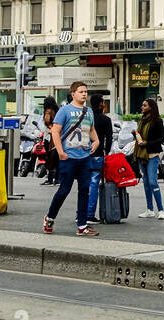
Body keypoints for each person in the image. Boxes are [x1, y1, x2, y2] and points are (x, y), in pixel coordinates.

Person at [42, 81, 100, 237]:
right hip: (69, 157)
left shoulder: (89, 112)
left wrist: (97, 141)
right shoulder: (64, 111)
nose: (84, 94)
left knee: (84, 191)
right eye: (81, 91)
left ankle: (82, 225)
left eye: (86, 91)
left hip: (84, 157)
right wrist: (61, 152)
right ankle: (49, 217)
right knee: (64, 190)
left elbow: (91, 129)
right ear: (73, 94)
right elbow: (55, 131)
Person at [135, 98, 164, 220]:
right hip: (141, 154)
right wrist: (136, 135)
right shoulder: (141, 121)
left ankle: (161, 210)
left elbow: (162, 138)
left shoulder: (158, 121)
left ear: (151, 107)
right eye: (142, 105)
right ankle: (149, 209)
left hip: (152, 154)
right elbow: (140, 136)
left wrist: (148, 143)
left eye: (144, 105)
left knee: (153, 182)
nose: (142, 107)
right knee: (146, 183)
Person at [85, 93, 113, 222]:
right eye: (103, 102)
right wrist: (105, 153)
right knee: (94, 184)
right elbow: (109, 139)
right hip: (97, 155)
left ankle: (80, 213)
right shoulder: (105, 120)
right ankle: (90, 214)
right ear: (101, 104)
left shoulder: (85, 118)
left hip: (83, 154)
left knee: (84, 185)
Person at [39, 97, 60, 185]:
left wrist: (49, 127)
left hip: (50, 137)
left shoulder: (48, 111)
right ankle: (57, 179)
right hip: (57, 136)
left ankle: (50, 179)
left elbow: (47, 122)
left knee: (49, 158)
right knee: (56, 159)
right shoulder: (57, 111)